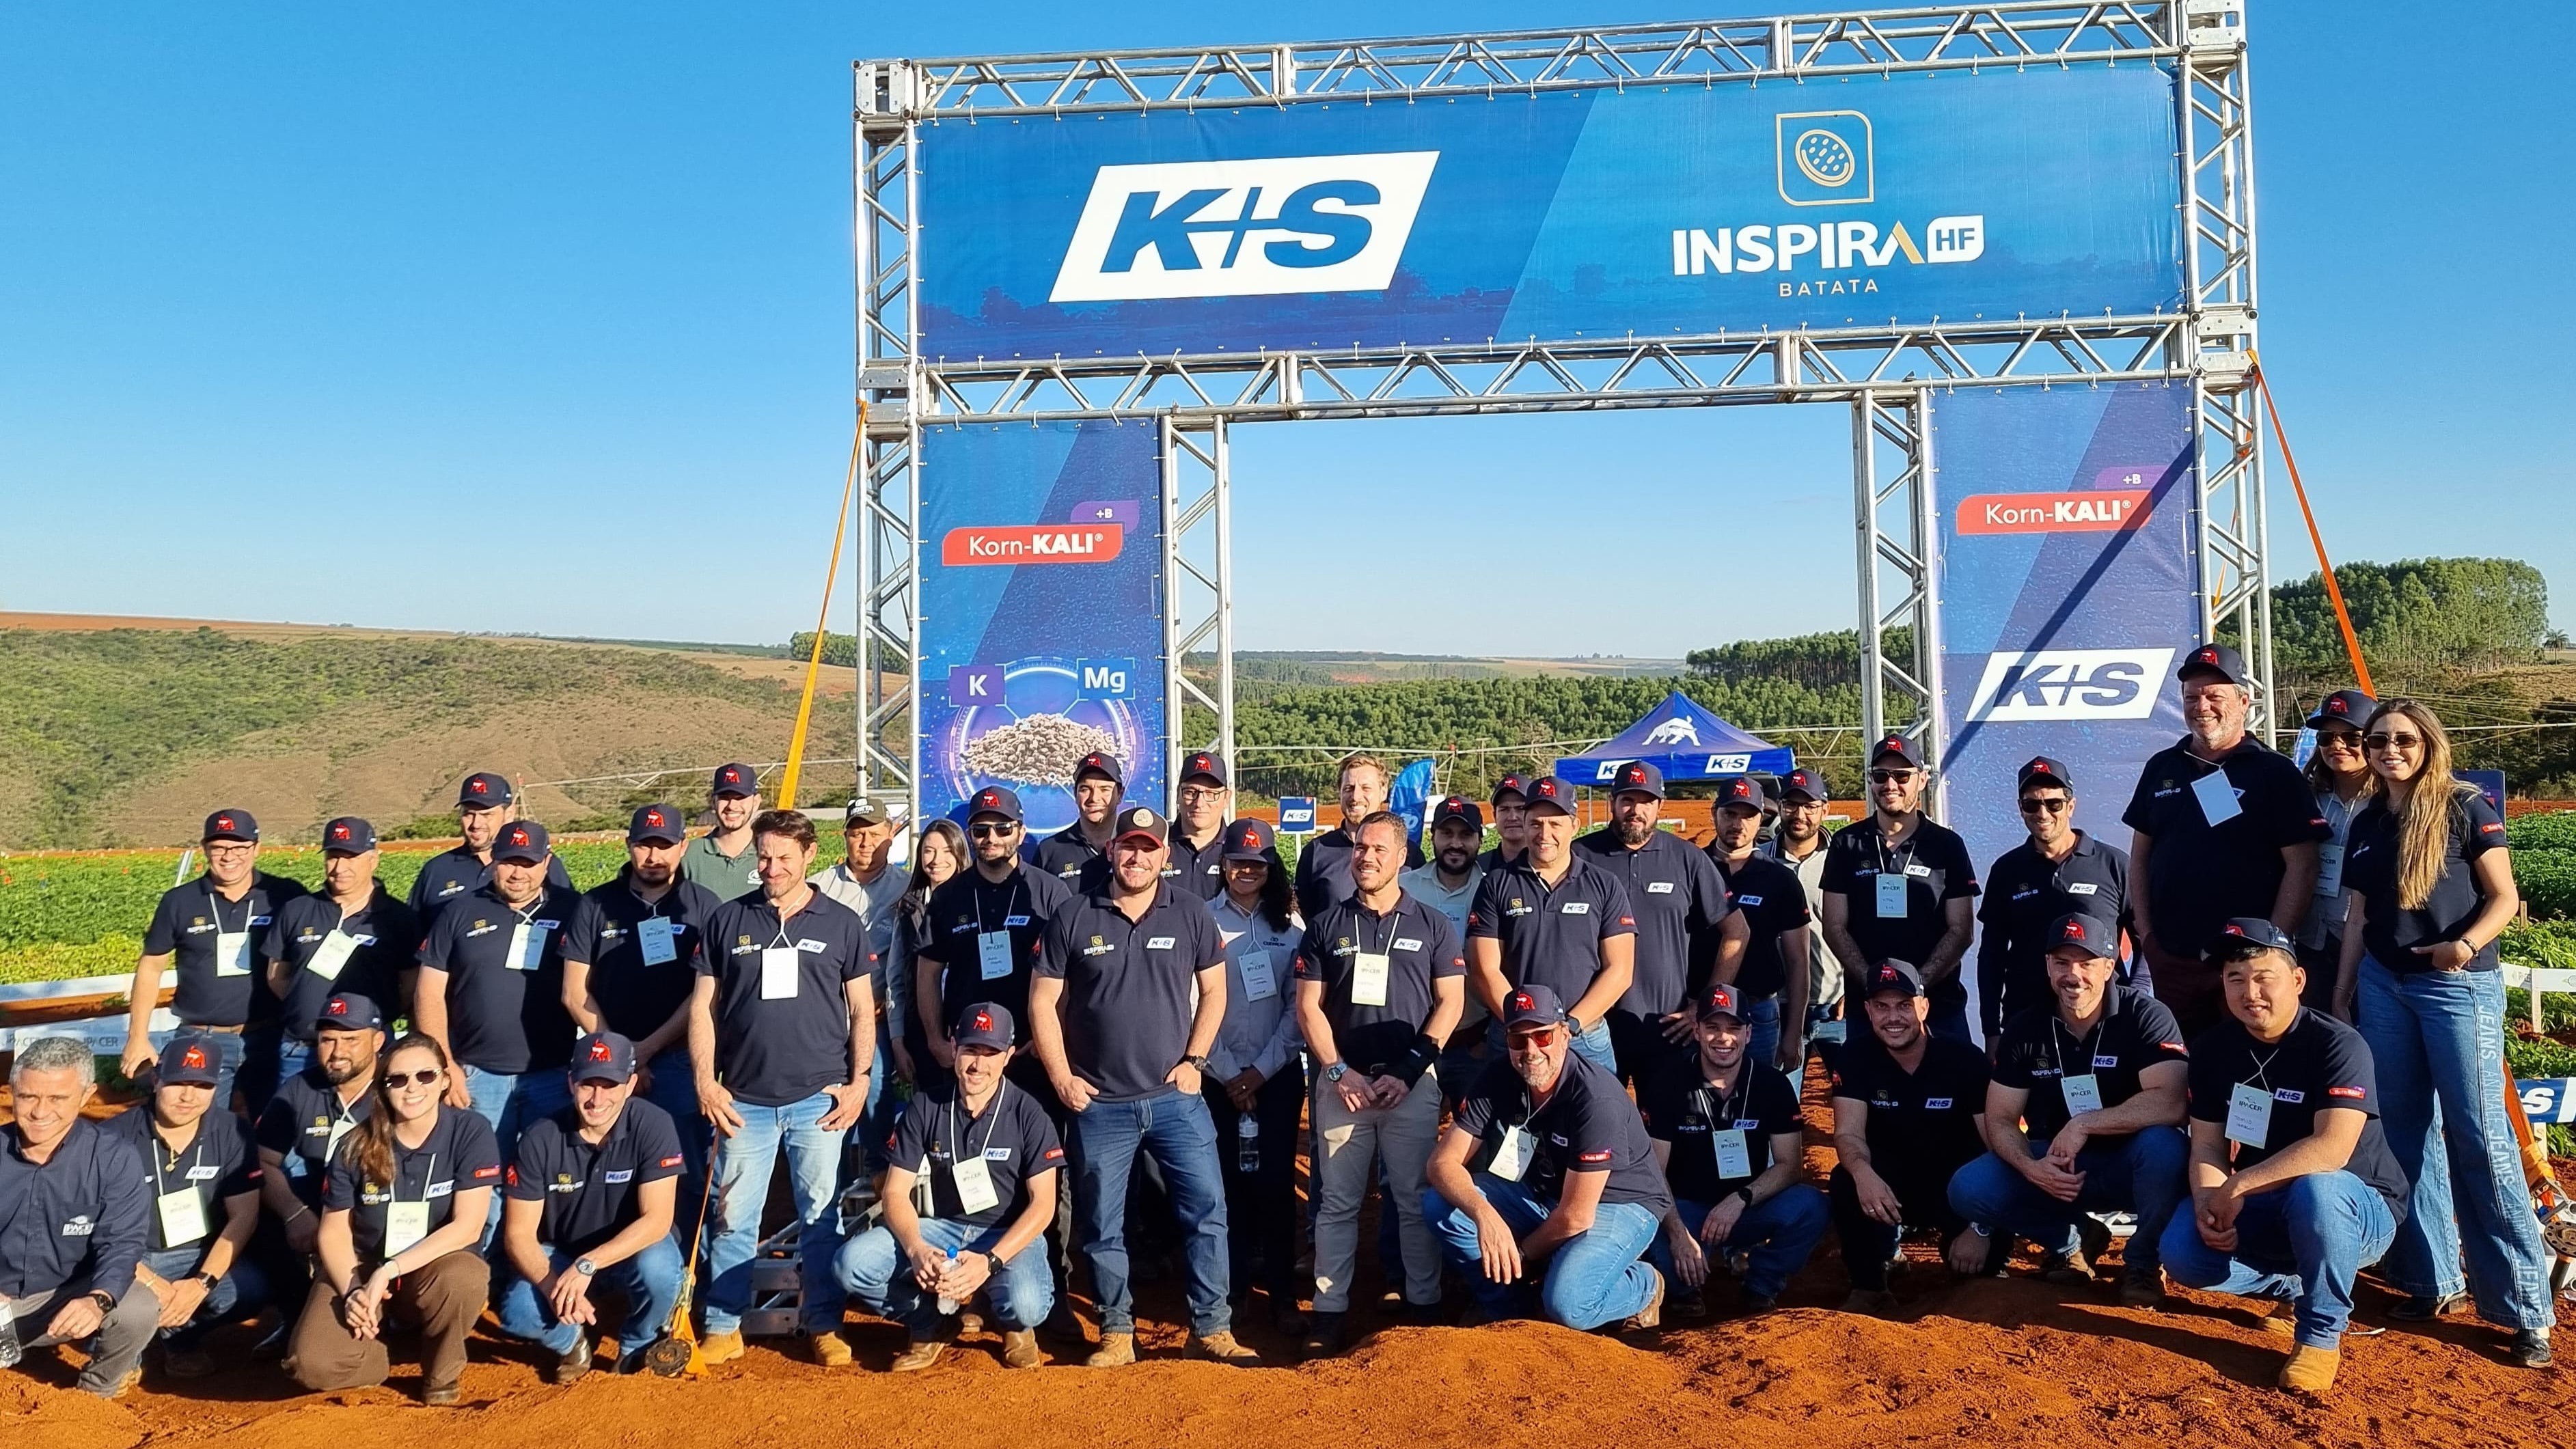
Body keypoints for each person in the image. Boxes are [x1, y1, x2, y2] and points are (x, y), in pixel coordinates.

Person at [2337, 699, 2554, 1363]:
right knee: (2402, 1134)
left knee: (2479, 1136)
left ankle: (2523, 1310)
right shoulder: (2368, 819)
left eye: (2402, 739)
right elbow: (2356, 915)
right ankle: (2429, 1279)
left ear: (2427, 743)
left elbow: (2504, 898)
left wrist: (2461, 947)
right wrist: (2344, 986)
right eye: (2377, 740)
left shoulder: (2464, 807)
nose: (2389, 750)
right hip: (2382, 985)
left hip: (2454, 985)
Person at [1030, 804, 1254, 1366]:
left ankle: (1211, 1326)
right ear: (1112, 851)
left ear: (1165, 855)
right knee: (1104, 1224)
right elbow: (1042, 1002)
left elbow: (1216, 991)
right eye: (1127, 846)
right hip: (1100, 1104)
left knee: (1207, 1210)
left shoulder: (1193, 913)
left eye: (1148, 847)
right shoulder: (1074, 914)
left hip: (1176, 1099)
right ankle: (1115, 1330)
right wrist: (1061, 1076)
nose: (1136, 855)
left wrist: (1195, 1061)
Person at [2161, 920, 2411, 1392]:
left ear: (2297, 980)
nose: (2249, 991)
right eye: (2235, 978)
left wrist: (2237, 1186)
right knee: (2183, 1253)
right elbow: (2209, 1144)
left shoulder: (2337, 1043)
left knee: (2318, 1187)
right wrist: (2209, 1198)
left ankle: (2320, 1333)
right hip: (2272, 1202)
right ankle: (2297, 1285)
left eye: (2263, 976)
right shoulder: (2214, 1049)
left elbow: (2331, 1148)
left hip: (2358, 1205)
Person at [688, 808, 877, 1366]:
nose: (770, 867)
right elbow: (703, 1007)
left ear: (809, 856)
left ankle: (822, 1322)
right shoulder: (727, 921)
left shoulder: (842, 923)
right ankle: (723, 1323)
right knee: (732, 1217)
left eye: (782, 858)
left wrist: (859, 1080)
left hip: (818, 1100)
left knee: (821, 1217)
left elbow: (863, 1010)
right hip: (743, 1099)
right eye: (763, 857)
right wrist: (705, 1078)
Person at [1948, 913, 2190, 1305]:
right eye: (2061, 963)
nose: (2073, 976)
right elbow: (2000, 1118)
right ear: (2047, 966)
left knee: (2165, 1147)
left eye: (2087, 963)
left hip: (2131, 1164)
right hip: (2059, 1164)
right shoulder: (2027, 1026)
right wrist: (2031, 1167)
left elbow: (2173, 1102)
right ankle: (2073, 1240)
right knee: (1970, 1188)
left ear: (2110, 967)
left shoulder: (2145, 1015)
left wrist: (2086, 1124)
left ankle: (2143, 1264)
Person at [1294, 810, 1466, 1354]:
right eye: (1360, 848)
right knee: (1338, 1203)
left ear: (1401, 856)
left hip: (1409, 1087)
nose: (1365, 857)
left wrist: (1410, 1070)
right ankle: (1329, 1312)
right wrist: (1337, 1069)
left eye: (1377, 849)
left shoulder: (1432, 924)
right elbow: (1308, 1007)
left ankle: (1423, 1303)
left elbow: (1452, 1001)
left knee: (1414, 1198)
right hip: (1343, 1085)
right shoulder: (1326, 925)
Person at [1423, 984, 1672, 1331]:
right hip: (1547, 1194)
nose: (1530, 1050)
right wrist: (1485, 1217)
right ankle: (1510, 1309)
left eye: (1542, 1036)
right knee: (1441, 1206)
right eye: (1517, 1039)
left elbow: (1577, 1215)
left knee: (1569, 1305)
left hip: (1619, 1202)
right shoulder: (1498, 1076)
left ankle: (1644, 1285)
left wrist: (1522, 1255)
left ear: (1565, 1035)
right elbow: (1442, 1164)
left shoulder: (1595, 1098)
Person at [835, 1002, 1064, 1372]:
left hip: (1005, 1232)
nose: (978, 1064)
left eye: (991, 1053)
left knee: (1028, 1304)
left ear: (1008, 1057)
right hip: (944, 1229)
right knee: (852, 1264)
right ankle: (931, 1323)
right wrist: (916, 1249)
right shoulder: (927, 1106)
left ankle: (1014, 1326)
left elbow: (1043, 1205)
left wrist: (990, 1262)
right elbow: (894, 1192)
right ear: (954, 1048)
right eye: (971, 1049)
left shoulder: (1029, 1113)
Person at [2123, 643, 2328, 1037]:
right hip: (2175, 960)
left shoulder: (2276, 772)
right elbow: (2140, 858)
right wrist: (2148, 938)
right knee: (2181, 1076)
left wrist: (2271, 948)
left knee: (2248, 1074)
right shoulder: (2161, 768)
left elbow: (2302, 865)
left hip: (2246, 966)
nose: (2203, 706)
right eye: (2192, 697)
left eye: (2215, 696)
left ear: (2243, 701)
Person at [287, 1033, 499, 1403]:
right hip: (363, 1264)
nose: (412, 1087)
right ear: (383, 1087)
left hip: (433, 1265)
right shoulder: (354, 1143)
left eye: (426, 1076)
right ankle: (385, 1356)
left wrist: (391, 1269)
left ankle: (440, 1374)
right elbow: (334, 1232)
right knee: (309, 1364)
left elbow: (468, 1226)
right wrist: (353, 1290)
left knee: (465, 1277)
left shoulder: (471, 1131)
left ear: (445, 1080)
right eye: (398, 1079)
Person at [494, 1031, 688, 1382]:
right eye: (588, 1085)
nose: (598, 1098)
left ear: (630, 1085)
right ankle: (572, 1341)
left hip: (630, 1250)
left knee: (660, 1268)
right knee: (517, 1312)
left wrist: (588, 1265)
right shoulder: (540, 1136)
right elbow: (518, 1235)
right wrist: (557, 1285)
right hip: (561, 1252)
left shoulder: (655, 1124)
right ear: (571, 1083)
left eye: (610, 1085)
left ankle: (637, 1344)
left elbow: (658, 1220)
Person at [415, 818, 580, 1217]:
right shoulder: (459, 912)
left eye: (528, 862)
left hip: (554, 1076)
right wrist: (445, 1066)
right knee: (480, 1186)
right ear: (494, 862)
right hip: (477, 1077)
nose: (518, 873)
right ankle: (483, 1271)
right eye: (508, 862)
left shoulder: (574, 910)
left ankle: (538, 1268)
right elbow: (428, 992)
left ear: (547, 862)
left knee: (549, 1181)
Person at [561, 803, 723, 1201]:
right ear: (629, 845)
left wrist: (645, 1050)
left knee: (686, 1169)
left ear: (683, 847)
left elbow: (708, 993)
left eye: (665, 846)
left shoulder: (705, 906)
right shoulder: (594, 906)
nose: (654, 857)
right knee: (609, 1168)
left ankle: (686, 1261)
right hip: (606, 1069)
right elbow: (574, 992)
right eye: (645, 846)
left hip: (681, 1062)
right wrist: (621, 1055)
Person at [1637, 983, 1829, 1319]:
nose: (1723, 1038)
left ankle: (1761, 1284)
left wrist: (1739, 1200)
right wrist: (1679, 1235)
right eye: (1712, 1027)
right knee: (1658, 1240)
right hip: (1686, 1209)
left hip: (1746, 1206)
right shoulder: (1668, 1083)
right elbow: (1655, 1173)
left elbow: (1790, 1166)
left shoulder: (1772, 1084)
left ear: (1749, 1033)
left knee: (1811, 1207)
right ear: (1696, 1031)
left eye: (1733, 1028)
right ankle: (1684, 1292)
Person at [1828, 961, 1994, 1314]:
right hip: (1892, 1185)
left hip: (1958, 1187)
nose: (1894, 1017)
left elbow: (1998, 1146)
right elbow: (1847, 1133)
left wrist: (1981, 1228)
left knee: (1980, 1281)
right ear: (1868, 1010)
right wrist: (1863, 1174)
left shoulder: (1965, 1059)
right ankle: (1869, 1285)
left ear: (1924, 1006)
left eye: (1904, 1006)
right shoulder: (1854, 1056)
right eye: (1883, 1006)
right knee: (1844, 1180)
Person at [0, 1036, 157, 1399]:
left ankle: (93, 1398)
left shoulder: (112, 1158)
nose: (40, 1112)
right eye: (28, 1097)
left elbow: (122, 1243)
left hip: (66, 1299)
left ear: (87, 1095)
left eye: (57, 1099)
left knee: (137, 1306)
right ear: (12, 1092)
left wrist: (98, 1299)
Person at [124, 807, 308, 1112]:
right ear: (205, 849)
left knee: (276, 1131)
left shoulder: (285, 895)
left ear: (257, 849)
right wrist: (137, 1037)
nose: (229, 856)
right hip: (201, 1039)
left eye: (239, 847)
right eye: (219, 847)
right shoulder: (179, 902)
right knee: (198, 1129)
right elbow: (151, 965)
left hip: (271, 1036)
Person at [106, 1033, 266, 1378]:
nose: (189, 1096)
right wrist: (151, 1283)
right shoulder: (112, 1137)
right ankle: (119, 1347)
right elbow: (95, 1230)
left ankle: (178, 1338)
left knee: (250, 1289)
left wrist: (200, 1284)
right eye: (178, 1082)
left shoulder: (233, 1131)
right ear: (156, 1079)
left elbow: (244, 1215)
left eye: (202, 1085)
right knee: (112, 1293)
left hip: (193, 1256)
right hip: (127, 1256)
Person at [1576, 761, 1743, 1085]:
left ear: (1660, 806)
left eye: (1645, 801)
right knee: (1597, 1127)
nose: (1635, 809)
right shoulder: (1581, 856)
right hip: (1595, 1028)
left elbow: (1737, 931)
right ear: (1612, 802)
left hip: (1667, 1028)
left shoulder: (1687, 858)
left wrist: (1704, 1005)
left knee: (1665, 1131)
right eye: (1627, 800)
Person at [1205, 818, 1307, 1334]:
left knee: (1275, 1184)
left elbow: (1300, 1010)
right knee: (1226, 1186)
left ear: (1271, 867)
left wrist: (1259, 1073)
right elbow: (1190, 1003)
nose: (1246, 870)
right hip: (1217, 1078)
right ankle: (1233, 1291)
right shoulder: (1201, 921)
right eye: (1237, 861)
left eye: (1257, 862)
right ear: (1222, 865)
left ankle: (1283, 1296)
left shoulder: (1291, 929)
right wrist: (1227, 1072)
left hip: (1278, 1076)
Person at [1466, 775, 1636, 1075]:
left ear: (1574, 826)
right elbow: (1484, 968)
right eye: (1536, 823)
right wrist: (1526, 1026)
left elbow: (1619, 970)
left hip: (1585, 1037)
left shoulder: (1604, 885)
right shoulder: (1496, 884)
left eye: (1555, 824)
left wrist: (1569, 1026)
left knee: (1595, 1118)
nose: (1544, 833)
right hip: (1516, 1037)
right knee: (1506, 1120)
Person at [1820, 737, 1979, 1043]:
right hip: (1869, 1009)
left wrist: (1915, 988)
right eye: (1881, 776)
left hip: (1937, 1005)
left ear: (1922, 779)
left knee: (1955, 1089)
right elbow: (1834, 926)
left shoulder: (1948, 846)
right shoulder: (1846, 844)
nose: (1890, 784)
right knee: (1866, 1091)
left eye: (1902, 776)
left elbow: (1961, 930)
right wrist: (1876, 988)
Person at [917, 787, 1073, 1092]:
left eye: (1003, 829)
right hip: (968, 1052)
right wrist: (935, 1039)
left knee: (1039, 1138)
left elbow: (1069, 974)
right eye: (981, 831)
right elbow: (928, 973)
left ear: (1021, 831)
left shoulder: (1050, 892)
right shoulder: (948, 896)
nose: (992, 839)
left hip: (1032, 1049)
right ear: (970, 835)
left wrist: (1053, 1038)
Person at [1976, 758, 2133, 1040]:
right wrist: (1990, 1030)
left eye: (2054, 804)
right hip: (2025, 1016)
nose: (2043, 813)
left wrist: (2135, 990)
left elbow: (2144, 936)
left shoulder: (2113, 864)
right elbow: (1992, 955)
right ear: (2020, 809)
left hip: (2103, 1017)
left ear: (2071, 806)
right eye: (2032, 805)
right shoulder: (2007, 870)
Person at [255, 993, 385, 1321]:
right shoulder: (299, 1089)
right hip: (324, 1196)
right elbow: (262, 1161)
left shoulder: (398, 1085)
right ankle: (295, 1316)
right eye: (328, 1040)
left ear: (379, 1040)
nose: (338, 1051)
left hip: (387, 1200)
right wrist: (293, 1212)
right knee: (258, 1215)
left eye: (352, 1039)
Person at [264, 817, 418, 1091]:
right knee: (294, 1129)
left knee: (371, 1129)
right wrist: (306, 1001)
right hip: (301, 1052)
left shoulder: (399, 918)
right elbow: (277, 975)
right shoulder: (297, 910)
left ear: (373, 860)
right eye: (333, 857)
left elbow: (410, 984)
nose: (340, 867)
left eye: (351, 857)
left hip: (369, 1054)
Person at [812, 797, 912, 1183]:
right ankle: (829, 1180)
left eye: (874, 833)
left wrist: (887, 1007)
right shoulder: (819, 888)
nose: (865, 842)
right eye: (856, 834)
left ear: (891, 835)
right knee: (825, 1098)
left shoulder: (905, 889)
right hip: (826, 1022)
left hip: (879, 1017)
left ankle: (878, 1171)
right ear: (844, 838)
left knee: (874, 1085)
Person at [1705, 776, 1816, 1077]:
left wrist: (1793, 1032)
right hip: (1701, 1015)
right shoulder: (1693, 868)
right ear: (1714, 812)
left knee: (1759, 1102)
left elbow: (1797, 961)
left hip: (1759, 1013)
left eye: (1749, 816)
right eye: (1730, 813)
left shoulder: (1780, 879)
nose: (1738, 824)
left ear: (1762, 819)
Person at [1758, 767, 1844, 1081]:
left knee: (1856, 1102)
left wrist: (1854, 988)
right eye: (1791, 805)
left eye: (1809, 806)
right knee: (1782, 1107)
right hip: (1775, 1007)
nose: (1800, 814)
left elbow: (1858, 929)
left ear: (1825, 810)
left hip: (1834, 1006)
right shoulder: (1759, 863)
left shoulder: (1841, 862)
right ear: (1779, 807)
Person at [1404, 797, 1492, 1099]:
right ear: (1432, 837)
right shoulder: (1404, 888)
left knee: (1476, 1141)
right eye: (1447, 834)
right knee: (1412, 1141)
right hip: (1411, 1043)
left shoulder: (1493, 890)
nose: (1455, 844)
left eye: (1465, 835)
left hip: (1472, 1045)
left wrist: (1485, 1036)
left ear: (1481, 840)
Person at [2299, 689, 2376, 1012]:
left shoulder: (2389, 803)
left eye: (2351, 737)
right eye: (2327, 737)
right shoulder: (2306, 797)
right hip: (2311, 939)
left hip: (2369, 946)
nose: (2337, 746)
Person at [409, 771, 572, 916]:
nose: (476, 823)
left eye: (487, 815)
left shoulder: (541, 865)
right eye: (468, 814)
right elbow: (413, 931)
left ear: (509, 814)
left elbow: (570, 918)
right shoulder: (436, 870)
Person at [886, 818, 970, 1090]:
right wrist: (898, 1041)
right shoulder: (907, 909)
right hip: (921, 1036)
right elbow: (895, 980)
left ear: (960, 853)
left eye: (947, 851)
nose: (937, 860)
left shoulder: (977, 901)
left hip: (971, 1032)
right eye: (929, 851)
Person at [1296, 752, 1421, 922]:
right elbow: (1304, 918)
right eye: (1349, 788)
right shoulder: (1317, 852)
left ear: (1383, 792)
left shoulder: (1409, 854)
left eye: (1366, 788)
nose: (1355, 797)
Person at [1033, 750, 1124, 889]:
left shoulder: (1137, 848)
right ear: (1075, 794)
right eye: (1085, 789)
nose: (1094, 798)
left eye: (1105, 789)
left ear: (1120, 795)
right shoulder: (1049, 851)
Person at [682, 762, 767, 900]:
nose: (732, 806)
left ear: (756, 802)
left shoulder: (769, 853)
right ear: (713, 801)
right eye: (724, 797)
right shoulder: (690, 856)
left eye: (740, 798)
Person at [1166, 751, 1233, 899]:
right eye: (1191, 792)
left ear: (1227, 798)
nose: (1200, 803)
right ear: (1178, 794)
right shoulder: (1157, 846)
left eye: (1211, 794)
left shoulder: (1237, 849)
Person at [1477, 773, 1533, 872]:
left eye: (1520, 809)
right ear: (1495, 816)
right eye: (1504, 809)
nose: (1512, 817)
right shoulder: (1478, 868)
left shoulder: (1551, 867)